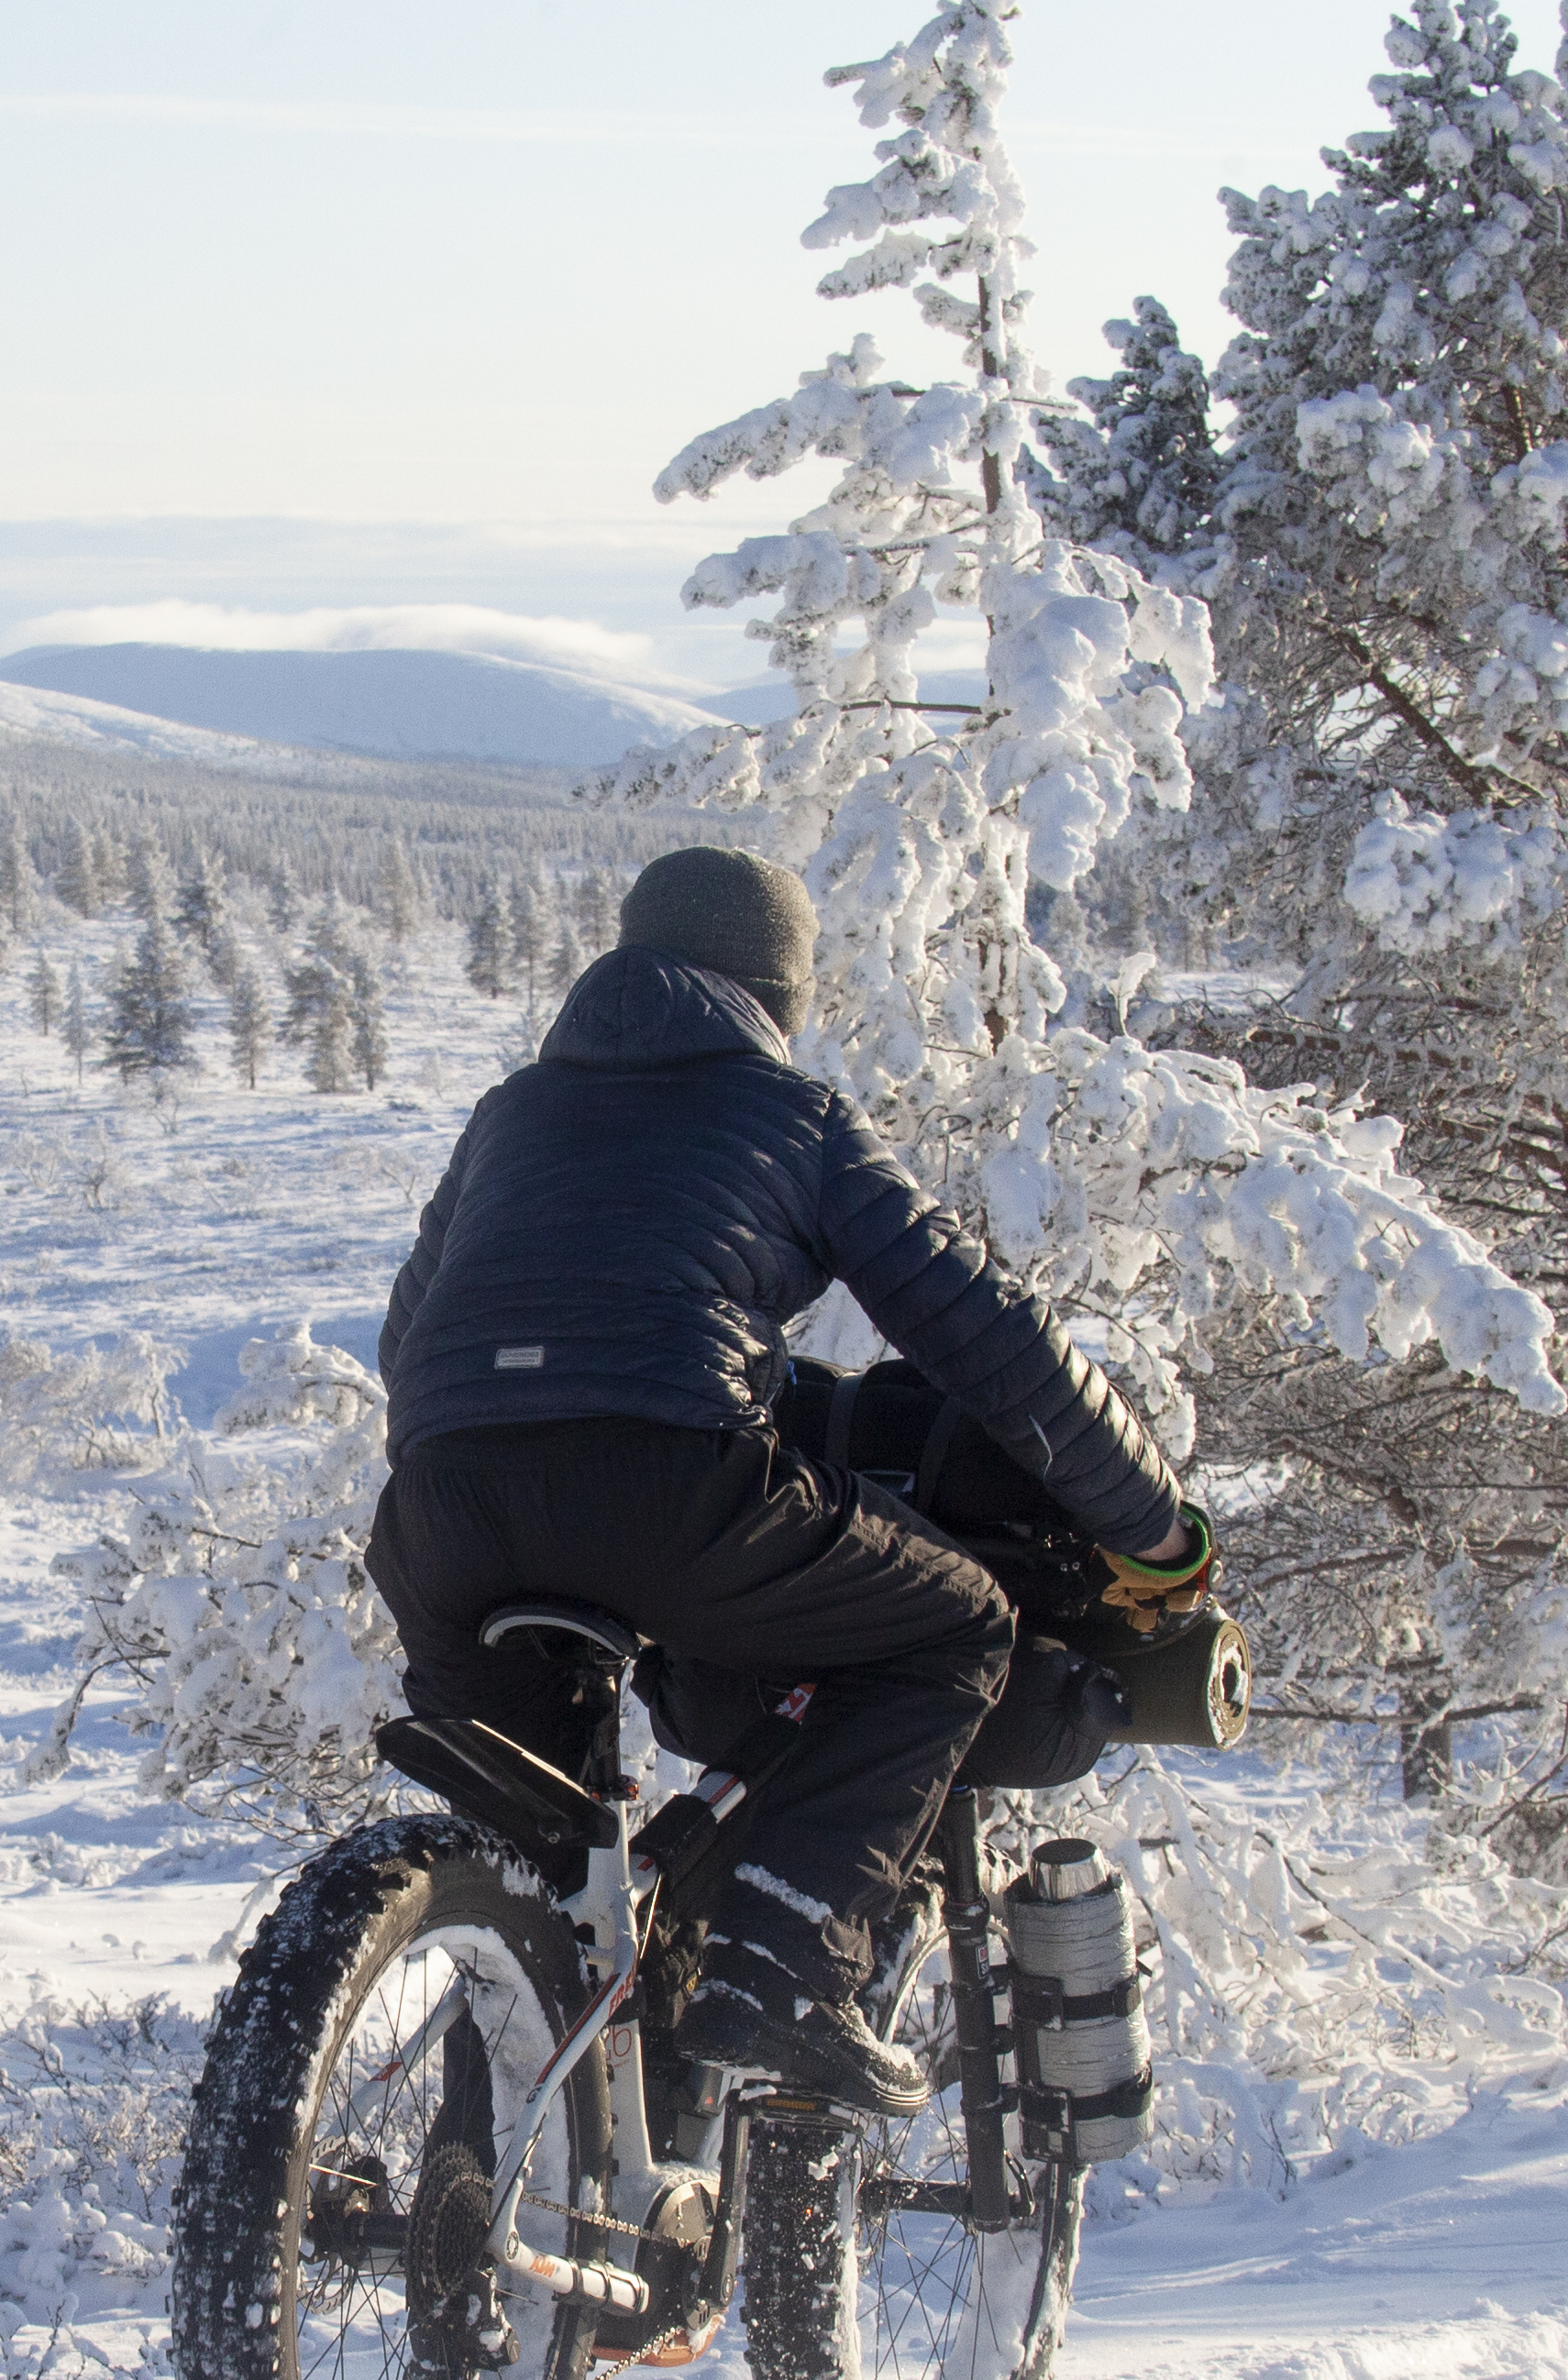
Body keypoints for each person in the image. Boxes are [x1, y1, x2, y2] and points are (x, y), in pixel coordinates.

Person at [370, 846, 1209, 2118]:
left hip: (439, 1519)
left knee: (535, 1895)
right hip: (669, 1488)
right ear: (776, 990)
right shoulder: (791, 1113)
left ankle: (493, 2186)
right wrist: (1151, 1529)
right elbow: (989, 1337)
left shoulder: (512, 1112)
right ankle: (786, 1969)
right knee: (957, 1624)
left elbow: (408, 1341)